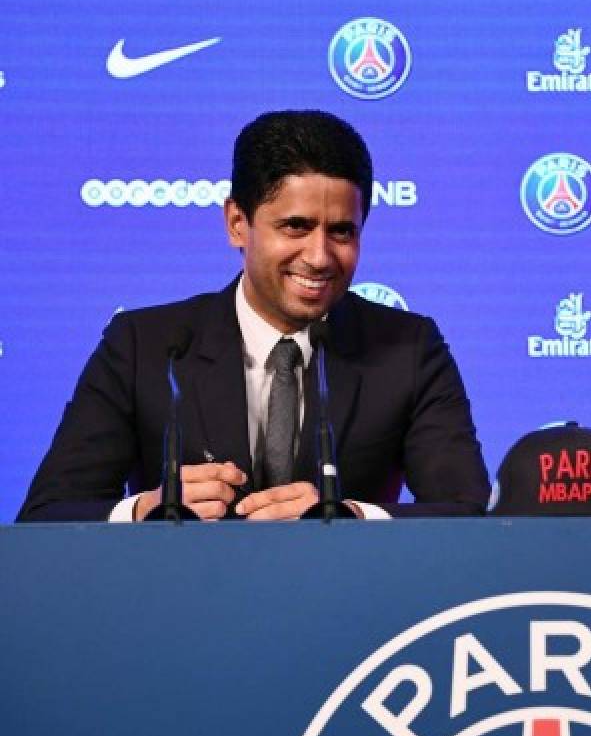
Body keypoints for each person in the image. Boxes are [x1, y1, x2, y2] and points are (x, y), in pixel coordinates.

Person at [19, 110, 489, 521]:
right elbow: (47, 515)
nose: (320, 257)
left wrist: (349, 516)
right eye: (296, 227)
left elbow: (468, 513)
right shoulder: (143, 346)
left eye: (342, 232)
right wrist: (148, 509)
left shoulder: (409, 349)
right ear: (237, 224)